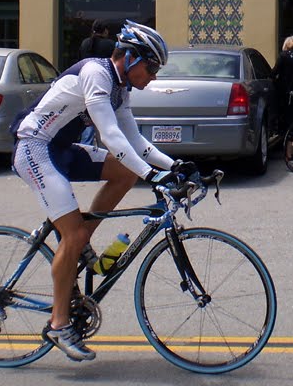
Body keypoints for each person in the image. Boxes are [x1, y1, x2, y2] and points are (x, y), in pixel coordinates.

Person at [11, 20, 197, 362]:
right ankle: (58, 323)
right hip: (36, 148)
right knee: (74, 235)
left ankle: (80, 243)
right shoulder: (96, 75)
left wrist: (175, 166)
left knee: (123, 174)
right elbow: (110, 135)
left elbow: (136, 141)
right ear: (129, 58)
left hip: (62, 149)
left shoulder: (119, 88)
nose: (154, 76)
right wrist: (152, 176)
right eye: (152, 67)